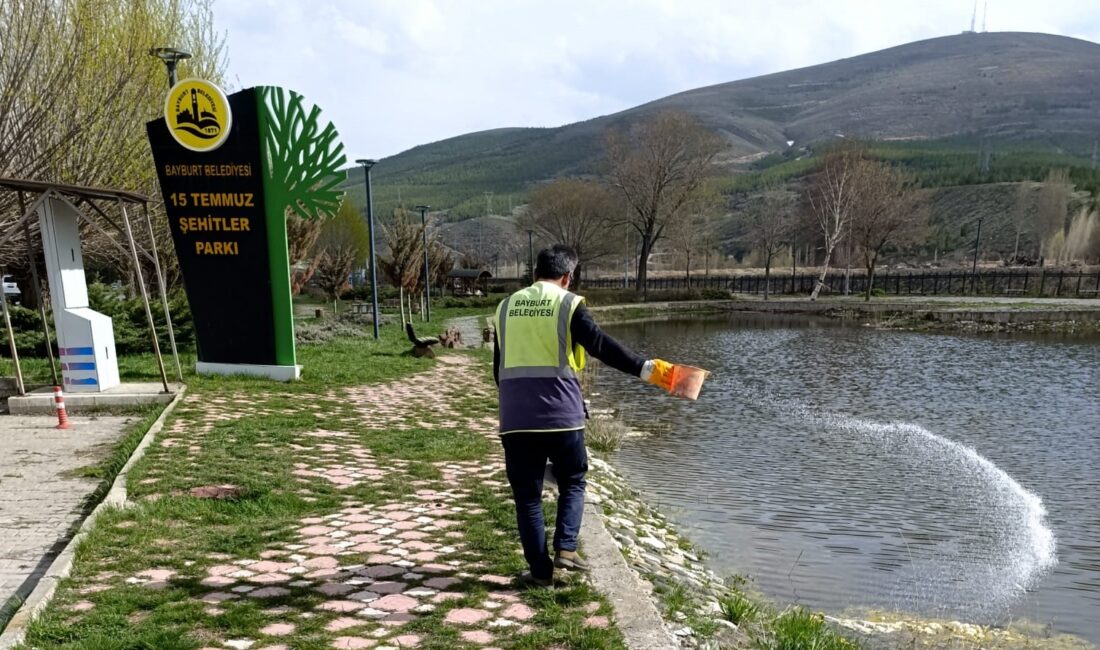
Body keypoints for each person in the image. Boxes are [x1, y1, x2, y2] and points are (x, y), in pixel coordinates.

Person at [493, 244, 673, 586]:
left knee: (527, 497)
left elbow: (497, 370)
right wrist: (647, 370)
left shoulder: (504, 308)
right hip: (562, 415)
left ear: (534, 275)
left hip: (516, 417)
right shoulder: (568, 304)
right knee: (573, 479)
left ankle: (540, 574)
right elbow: (601, 345)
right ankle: (565, 550)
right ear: (567, 277)